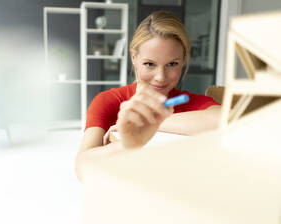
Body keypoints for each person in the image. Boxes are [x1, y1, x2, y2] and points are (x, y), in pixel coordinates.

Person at [75, 11, 221, 180]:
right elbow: (82, 168)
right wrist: (128, 144)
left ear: (183, 61)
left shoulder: (190, 102)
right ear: (134, 58)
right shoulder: (110, 101)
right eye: (149, 64)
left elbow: (230, 120)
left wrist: (151, 121)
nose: (160, 77)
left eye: (172, 64)